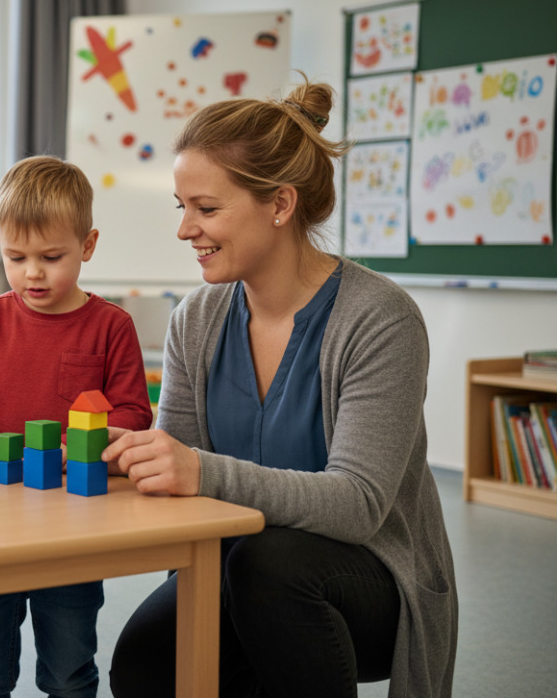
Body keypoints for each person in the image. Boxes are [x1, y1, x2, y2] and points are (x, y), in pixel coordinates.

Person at [103, 79, 458, 698]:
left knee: (270, 569)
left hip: (369, 578)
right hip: (237, 563)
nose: (186, 229)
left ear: (280, 205)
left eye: (207, 208)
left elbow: (357, 505)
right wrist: (122, 459)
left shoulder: (381, 320)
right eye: (180, 206)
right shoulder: (197, 317)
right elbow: (178, 456)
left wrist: (198, 471)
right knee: (144, 664)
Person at [0, 155, 153, 698]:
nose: (33, 272)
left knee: (70, 674)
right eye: (15, 256)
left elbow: (133, 414)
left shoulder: (111, 326)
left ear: (88, 245)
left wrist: (81, 445)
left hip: (74, 526)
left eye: (51, 257)